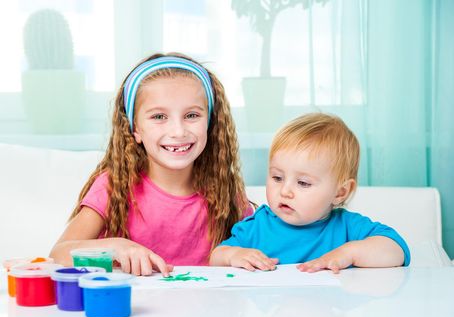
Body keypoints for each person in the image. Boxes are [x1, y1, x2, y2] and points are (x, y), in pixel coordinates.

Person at [50, 53, 252, 276]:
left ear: (210, 122)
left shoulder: (225, 191)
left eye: (192, 115)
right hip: (130, 308)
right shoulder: (115, 186)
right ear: (135, 128)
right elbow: (58, 255)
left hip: (207, 308)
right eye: (158, 117)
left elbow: (264, 251)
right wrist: (116, 246)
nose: (178, 131)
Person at [210, 113, 411, 273]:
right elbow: (216, 257)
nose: (285, 191)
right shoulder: (257, 226)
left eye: (303, 183)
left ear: (340, 192)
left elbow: (397, 251)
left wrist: (349, 253)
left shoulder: (347, 227)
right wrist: (234, 255)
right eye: (277, 178)